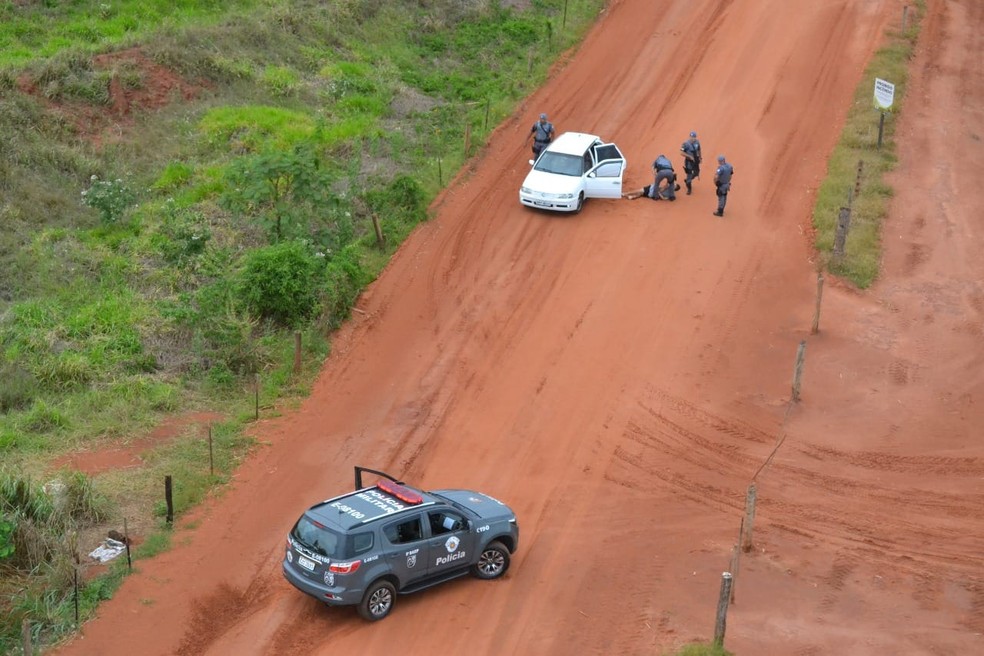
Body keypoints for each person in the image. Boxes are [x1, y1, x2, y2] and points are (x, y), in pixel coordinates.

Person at [680, 131, 702, 195]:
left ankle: (687, 180)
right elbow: (681, 153)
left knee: (697, 173)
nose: (693, 138)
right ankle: (689, 188)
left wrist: (700, 158)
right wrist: (689, 156)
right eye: (692, 137)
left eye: (694, 137)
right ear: (689, 137)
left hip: (696, 161)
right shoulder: (685, 144)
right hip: (689, 162)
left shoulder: (697, 142)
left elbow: (699, 150)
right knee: (689, 175)